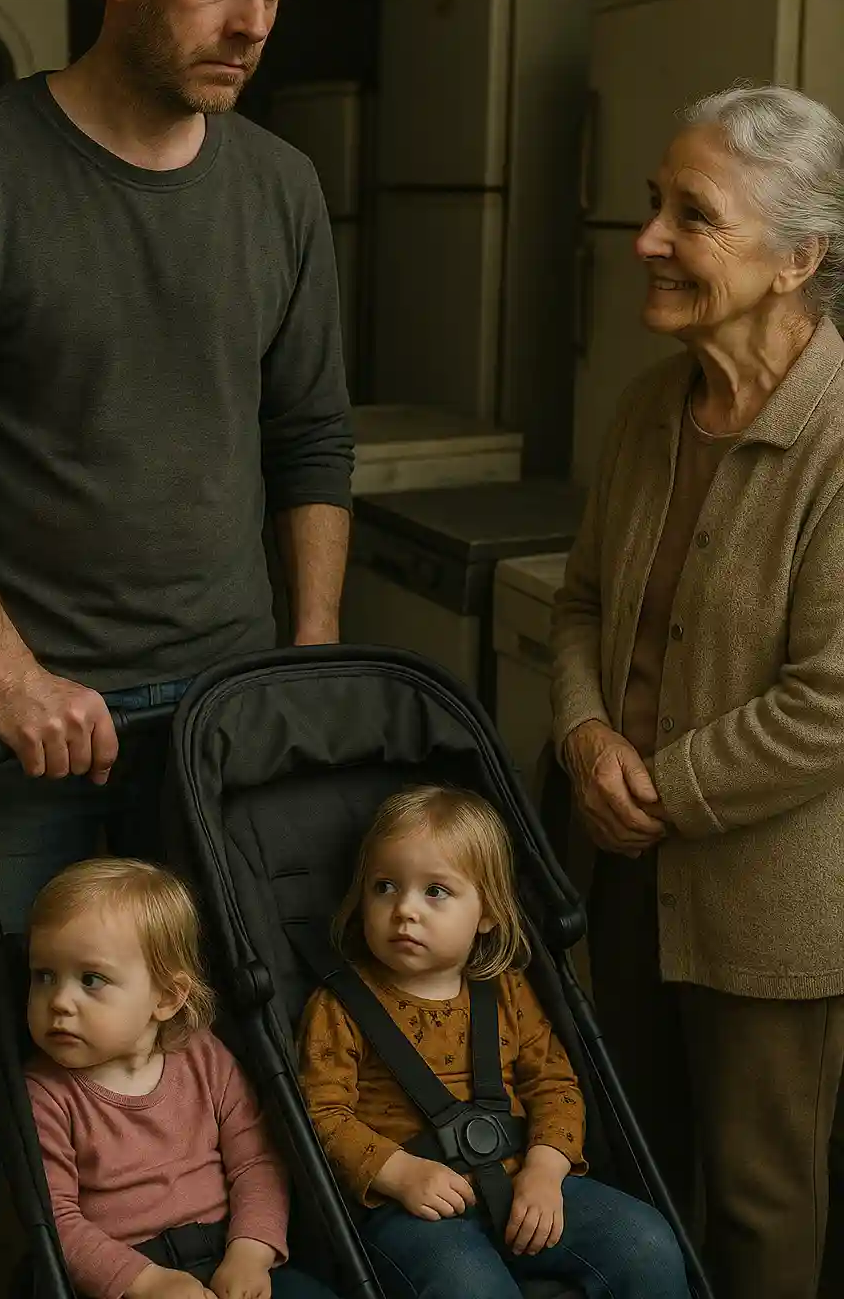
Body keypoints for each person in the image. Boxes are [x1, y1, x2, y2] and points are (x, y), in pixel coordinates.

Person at [0, 0, 353, 1298]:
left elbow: (311, 439)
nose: (252, 21)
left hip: (220, 710)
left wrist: (307, 657)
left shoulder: (277, 189)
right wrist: (5, 673)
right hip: (20, 711)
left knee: (216, 1030)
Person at [551, 84, 844, 1299]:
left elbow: (832, 700)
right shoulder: (642, 412)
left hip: (771, 912)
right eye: (651, 206)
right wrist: (578, 732)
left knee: (760, 1205)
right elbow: (572, 603)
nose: (648, 241)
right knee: (630, 1177)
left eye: (692, 215)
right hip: (623, 881)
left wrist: (657, 786)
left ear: (797, 260)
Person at [297, 786, 690, 1299]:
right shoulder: (340, 1006)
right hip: (414, 1208)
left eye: (435, 891)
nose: (405, 910)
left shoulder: (505, 989)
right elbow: (320, 1114)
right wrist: (400, 1174)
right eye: (385, 887)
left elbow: (553, 1082)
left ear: (486, 913)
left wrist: (546, 1170)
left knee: (647, 1242)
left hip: (524, 1180)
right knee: (471, 1287)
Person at [26, 858, 337, 1299]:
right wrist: (147, 1283)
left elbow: (256, 1160)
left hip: (229, 1250)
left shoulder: (202, 1056)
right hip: (123, 1276)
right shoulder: (47, 1093)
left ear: (167, 997)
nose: (59, 1001)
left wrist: (251, 1252)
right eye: (44, 976)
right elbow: (56, 1220)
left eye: (90, 979)